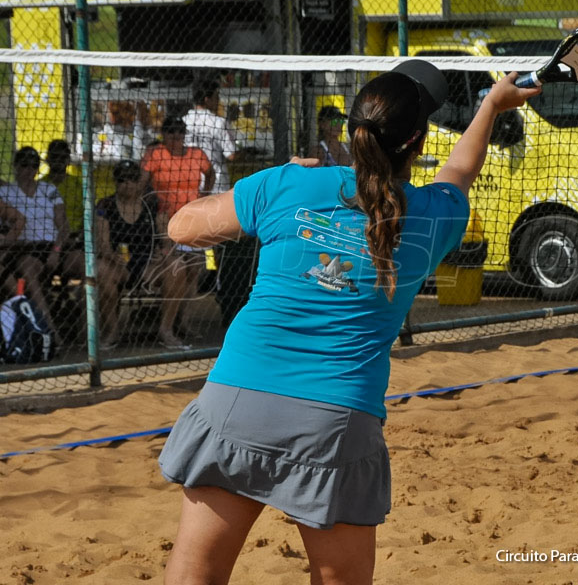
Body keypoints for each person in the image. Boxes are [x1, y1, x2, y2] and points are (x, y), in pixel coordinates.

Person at [157, 60, 539, 584]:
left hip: (237, 398)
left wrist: (272, 182)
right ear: (418, 144)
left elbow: (183, 226)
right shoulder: (432, 218)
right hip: (335, 421)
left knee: (194, 575)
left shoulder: (288, 183)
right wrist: (491, 106)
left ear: (354, 132)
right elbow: (460, 173)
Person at [141, 117, 214, 349]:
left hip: (191, 218)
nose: (175, 138)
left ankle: (185, 320)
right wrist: (148, 204)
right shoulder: (155, 154)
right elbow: (142, 182)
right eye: (171, 134)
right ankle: (169, 324)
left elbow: (210, 173)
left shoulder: (196, 154)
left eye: (179, 133)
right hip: (165, 221)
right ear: (164, 135)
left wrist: (205, 193)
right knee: (176, 268)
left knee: (196, 267)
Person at [0, 147, 85, 335]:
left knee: (87, 265)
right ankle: (50, 330)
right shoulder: (6, 192)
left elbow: (63, 225)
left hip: (55, 246)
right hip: (27, 248)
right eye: (24, 165)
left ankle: (86, 330)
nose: (29, 170)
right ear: (15, 167)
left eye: (33, 165)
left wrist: (56, 249)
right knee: (29, 270)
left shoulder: (49, 189)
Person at [93, 160, 164, 350]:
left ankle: (167, 331)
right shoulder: (105, 204)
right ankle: (113, 331)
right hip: (118, 263)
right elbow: (102, 243)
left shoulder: (151, 203)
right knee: (101, 270)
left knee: (178, 267)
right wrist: (110, 254)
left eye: (132, 179)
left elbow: (163, 236)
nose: (128, 184)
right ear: (116, 182)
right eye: (123, 180)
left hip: (147, 262)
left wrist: (162, 252)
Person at [182, 78, 238, 195]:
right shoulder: (219, 122)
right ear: (207, 100)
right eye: (216, 97)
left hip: (190, 181)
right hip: (216, 184)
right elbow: (231, 155)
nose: (218, 100)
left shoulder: (184, 121)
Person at [41, 140, 84, 238]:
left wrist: (79, 237)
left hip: (74, 236)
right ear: (48, 159)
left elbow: (87, 215)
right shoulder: (40, 185)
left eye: (63, 157)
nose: (59, 160)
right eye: (55, 156)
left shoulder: (78, 184)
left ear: (68, 160)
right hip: (46, 236)